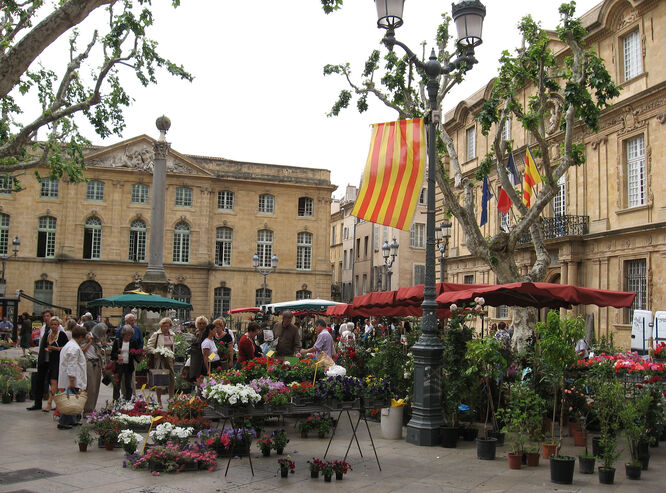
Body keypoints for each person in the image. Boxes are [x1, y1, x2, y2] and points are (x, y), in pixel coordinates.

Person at [57, 325, 88, 430]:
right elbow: (72, 364)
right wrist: (71, 380)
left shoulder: (71, 345)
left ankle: (72, 419)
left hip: (73, 377)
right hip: (72, 378)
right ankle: (64, 421)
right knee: (69, 401)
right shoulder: (74, 348)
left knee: (73, 399)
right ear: (80, 337)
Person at [42, 316, 69, 412]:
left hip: (59, 362)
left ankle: (49, 403)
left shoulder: (61, 335)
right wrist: (47, 349)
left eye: (55, 325)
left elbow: (67, 348)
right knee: (54, 383)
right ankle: (58, 404)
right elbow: (45, 346)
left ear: (58, 325)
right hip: (50, 361)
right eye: (52, 324)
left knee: (54, 382)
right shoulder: (48, 335)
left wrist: (56, 349)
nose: (53, 326)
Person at [147, 317, 175, 407]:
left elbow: (172, 347)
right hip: (159, 359)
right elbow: (149, 346)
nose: (166, 328)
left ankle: (171, 399)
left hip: (169, 359)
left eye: (167, 326)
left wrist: (172, 354)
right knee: (159, 379)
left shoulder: (172, 335)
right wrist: (156, 351)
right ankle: (159, 401)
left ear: (170, 326)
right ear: (161, 326)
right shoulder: (157, 334)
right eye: (164, 326)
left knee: (171, 379)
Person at [111, 325, 140, 401]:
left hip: (129, 365)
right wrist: (118, 356)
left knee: (128, 383)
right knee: (117, 383)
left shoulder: (133, 342)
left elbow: (136, 353)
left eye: (130, 335)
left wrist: (139, 355)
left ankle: (128, 400)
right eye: (126, 335)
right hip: (119, 365)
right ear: (123, 334)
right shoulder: (118, 341)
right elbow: (112, 354)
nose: (128, 336)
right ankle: (116, 400)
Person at [82, 322, 106, 414]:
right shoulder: (88, 337)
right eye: (103, 333)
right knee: (90, 387)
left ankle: (92, 408)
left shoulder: (97, 340)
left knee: (96, 387)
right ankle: (87, 409)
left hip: (97, 363)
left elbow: (99, 353)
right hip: (89, 363)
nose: (104, 335)